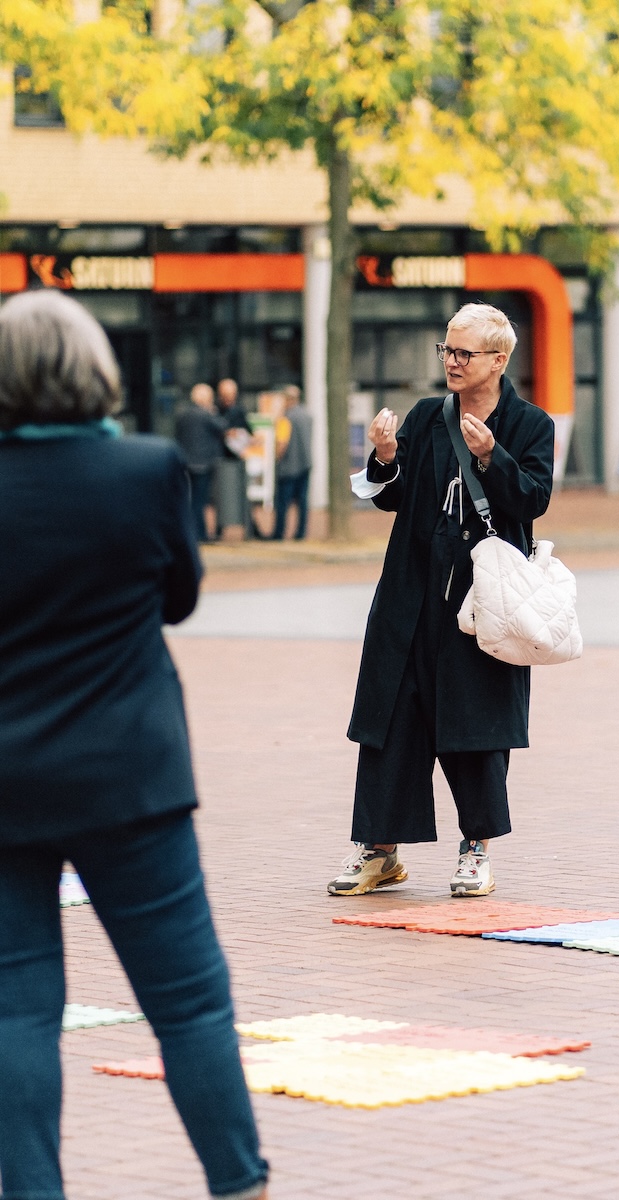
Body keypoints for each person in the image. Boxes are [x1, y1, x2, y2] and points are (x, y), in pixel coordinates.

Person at [0, 291, 269, 1200]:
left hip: (5, 785)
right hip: (132, 779)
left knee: (16, 1012)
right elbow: (180, 598)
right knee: (189, 1002)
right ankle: (238, 1182)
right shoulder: (148, 469)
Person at [328, 302, 555, 898]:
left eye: (463, 353)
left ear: (499, 360)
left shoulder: (530, 424)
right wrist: (382, 458)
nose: (451, 362)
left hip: (480, 602)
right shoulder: (430, 415)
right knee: (391, 720)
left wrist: (490, 458)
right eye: (446, 351)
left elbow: (532, 500)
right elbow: (393, 498)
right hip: (410, 591)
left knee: (475, 725)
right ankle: (378, 850)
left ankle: (476, 848)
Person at [174, 381, 224, 542]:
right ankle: (200, 533)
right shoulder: (206, 414)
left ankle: (189, 531)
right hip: (203, 464)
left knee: (189, 499)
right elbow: (222, 427)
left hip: (186, 463)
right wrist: (213, 411)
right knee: (199, 500)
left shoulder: (183, 414)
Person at [273, 384, 313, 540]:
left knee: (283, 502)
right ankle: (300, 533)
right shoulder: (307, 415)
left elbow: (282, 443)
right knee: (302, 502)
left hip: (289, 466)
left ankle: (279, 533)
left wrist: (276, 458)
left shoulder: (286, 418)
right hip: (305, 464)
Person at [215, 378, 254, 540]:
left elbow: (248, 431)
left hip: (237, 459)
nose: (228, 398)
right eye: (225, 395)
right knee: (220, 496)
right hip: (221, 459)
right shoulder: (215, 411)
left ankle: (250, 528)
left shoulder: (239, 411)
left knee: (242, 495)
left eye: (231, 395)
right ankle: (220, 528)